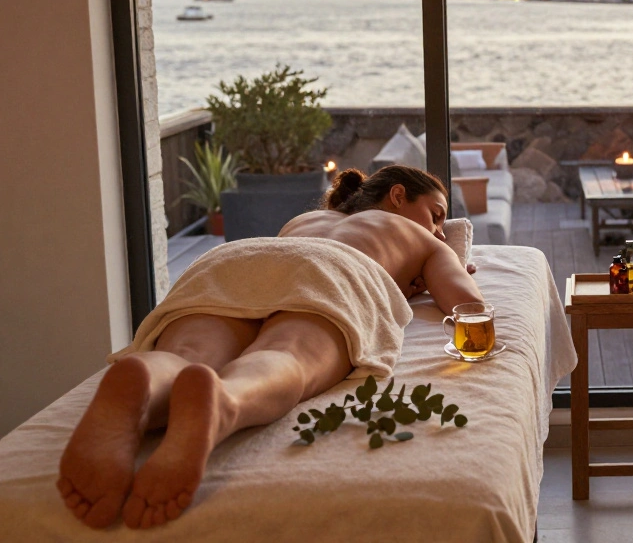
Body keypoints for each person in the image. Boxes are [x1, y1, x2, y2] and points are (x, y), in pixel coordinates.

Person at [57, 165, 483, 530]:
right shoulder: (421, 238)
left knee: (187, 355)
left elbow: (282, 275)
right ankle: (225, 400)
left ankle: (147, 381)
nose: (439, 230)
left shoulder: (304, 221)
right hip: (335, 272)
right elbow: (468, 305)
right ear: (397, 196)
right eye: (436, 216)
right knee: (286, 355)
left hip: (241, 257)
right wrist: (443, 263)